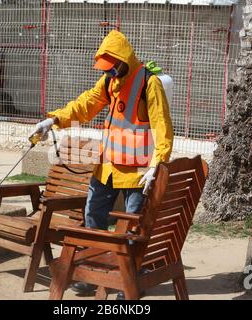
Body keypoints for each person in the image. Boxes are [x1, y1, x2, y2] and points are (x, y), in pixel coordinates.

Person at [30, 30, 174, 298]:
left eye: (112, 68)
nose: (108, 73)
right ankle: (93, 272)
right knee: (93, 220)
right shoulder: (110, 82)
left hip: (137, 172)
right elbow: (87, 103)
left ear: (123, 61)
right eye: (106, 70)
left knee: (132, 230)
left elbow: (162, 125)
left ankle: (128, 280)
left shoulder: (148, 83)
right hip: (106, 167)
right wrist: (55, 119)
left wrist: (159, 162)